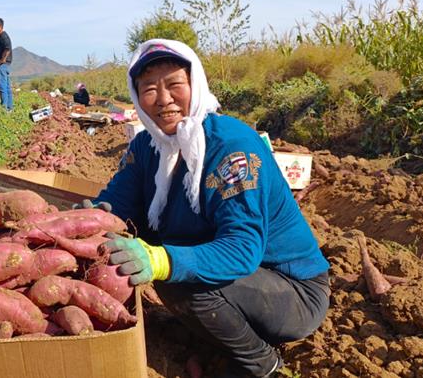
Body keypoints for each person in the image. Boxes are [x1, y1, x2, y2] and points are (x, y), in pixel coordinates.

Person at [89, 39, 330, 378]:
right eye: (149, 89)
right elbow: (120, 205)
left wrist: (162, 260)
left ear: (195, 84)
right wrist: (91, 217)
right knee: (135, 260)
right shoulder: (148, 146)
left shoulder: (233, 151)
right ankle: (218, 332)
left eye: (174, 84)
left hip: (291, 290)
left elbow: (242, 249)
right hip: (236, 286)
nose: (164, 99)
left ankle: (261, 363)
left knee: (177, 280)